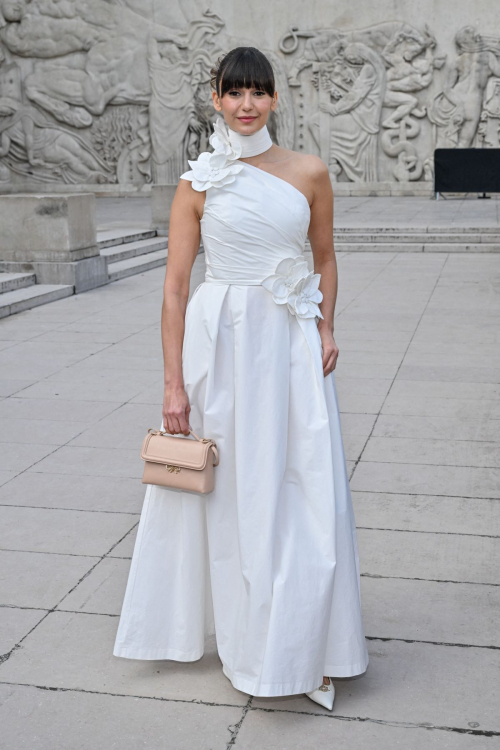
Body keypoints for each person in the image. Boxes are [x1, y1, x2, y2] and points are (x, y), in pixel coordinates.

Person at [113, 46, 369, 711]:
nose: (247, 105)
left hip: (290, 345)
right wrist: (173, 386)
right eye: (235, 93)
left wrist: (326, 326)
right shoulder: (198, 182)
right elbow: (173, 289)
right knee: (235, 497)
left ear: (275, 100)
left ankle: (303, 642)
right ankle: (251, 641)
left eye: (259, 93)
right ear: (218, 99)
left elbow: (325, 257)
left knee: (305, 490)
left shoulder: (310, 172)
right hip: (221, 346)